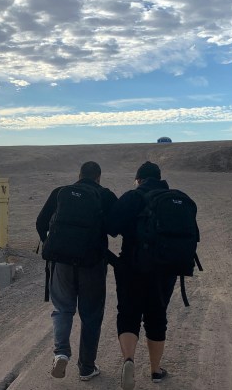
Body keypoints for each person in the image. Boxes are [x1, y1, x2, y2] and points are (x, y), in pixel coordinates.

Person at [36, 161, 118, 381]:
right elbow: (115, 230)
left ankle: (61, 352)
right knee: (91, 316)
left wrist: (52, 247)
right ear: (99, 177)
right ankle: (86, 368)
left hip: (61, 263)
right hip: (92, 264)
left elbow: (40, 222)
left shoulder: (60, 192)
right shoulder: (105, 195)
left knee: (62, 309)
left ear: (78, 175)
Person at [107, 161, 184, 389]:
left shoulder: (133, 197)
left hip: (132, 266)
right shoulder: (174, 199)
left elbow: (110, 226)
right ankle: (155, 370)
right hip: (165, 269)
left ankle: (128, 360)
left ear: (139, 179)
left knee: (128, 314)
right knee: (157, 316)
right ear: (159, 178)